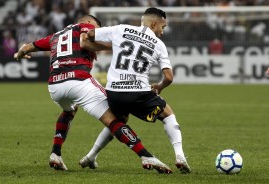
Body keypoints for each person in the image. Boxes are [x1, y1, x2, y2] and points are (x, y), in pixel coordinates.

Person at [13, 15, 172, 174]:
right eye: (96, 26)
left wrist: (19, 55)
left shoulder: (55, 35)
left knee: (69, 110)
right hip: (79, 80)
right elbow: (84, 41)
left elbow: (27, 47)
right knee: (115, 119)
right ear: (89, 22)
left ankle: (56, 153)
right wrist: (115, 44)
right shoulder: (85, 27)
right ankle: (145, 155)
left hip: (55, 85)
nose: (96, 30)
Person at [79, 8, 191, 174]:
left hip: (113, 92)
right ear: (154, 23)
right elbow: (169, 77)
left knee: (117, 122)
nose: (162, 32)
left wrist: (110, 45)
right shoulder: (159, 45)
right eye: (163, 26)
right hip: (138, 92)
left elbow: (89, 34)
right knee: (168, 114)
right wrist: (159, 87)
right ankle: (180, 156)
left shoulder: (120, 29)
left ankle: (90, 157)